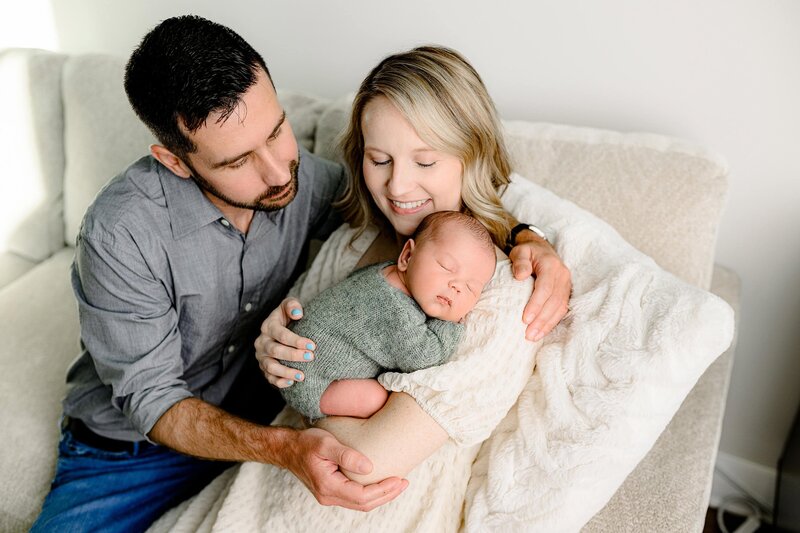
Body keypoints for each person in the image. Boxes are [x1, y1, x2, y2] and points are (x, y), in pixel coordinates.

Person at [31, 16, 570, 533]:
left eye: (277, 131)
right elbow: (153, 400)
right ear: (175, 161)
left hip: (266, 418)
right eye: (237, 162)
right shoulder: (120, 233)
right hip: (135, 453)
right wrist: (283, 447)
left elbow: (430, 208)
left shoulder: (301, 180)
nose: (277, 171)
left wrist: (526, 236)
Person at [282, 211, 497, 420]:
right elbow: (424, 357)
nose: (456, 286)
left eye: (471, 288)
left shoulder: (384, 273)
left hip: (299, 353)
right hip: (310, 380)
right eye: (446, 267)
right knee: (376, 398)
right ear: (407, 256)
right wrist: (450, 325)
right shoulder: (396, 310)